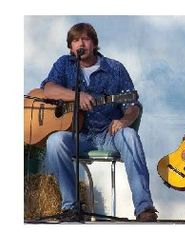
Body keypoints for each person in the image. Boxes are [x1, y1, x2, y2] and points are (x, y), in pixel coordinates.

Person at [41, 23, 157, 222]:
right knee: (55, 141)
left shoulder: (115, 68)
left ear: (94, 43)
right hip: (78, 134)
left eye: (85, 39)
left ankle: (144, 207)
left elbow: (132, 105)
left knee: (129, 135)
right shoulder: (64, 64)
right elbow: (48, 89)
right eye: (75, 40)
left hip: (108, 134)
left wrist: (124, 120)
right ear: (70, 47)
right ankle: (70, 208)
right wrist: (77, 97)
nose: (80, 43)